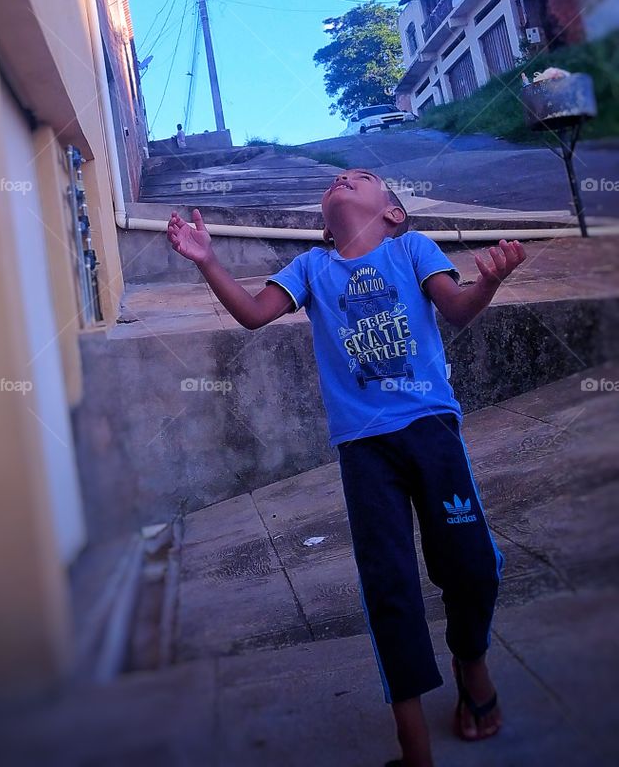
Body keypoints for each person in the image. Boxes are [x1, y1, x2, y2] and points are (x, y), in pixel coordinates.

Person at [167, 169, 526, 767]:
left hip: (430, 427)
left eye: (361, 178)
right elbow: (254, 314)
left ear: (392, 213)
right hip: (364, 448)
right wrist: (207, 261)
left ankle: (472, 662)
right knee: (389, 584)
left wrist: (488, 282)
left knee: (471, 568)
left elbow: (459, 310)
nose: (344, 179)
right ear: (323, 221)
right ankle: (414, 749)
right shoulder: (311, 268)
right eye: (337, 179)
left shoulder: (412, 250)